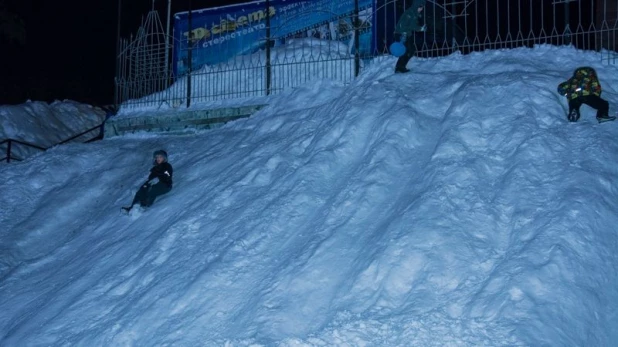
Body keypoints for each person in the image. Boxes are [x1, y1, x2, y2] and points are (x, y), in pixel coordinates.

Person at [393, 0, 427, 73]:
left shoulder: (414, 13)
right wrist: (420, 28)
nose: (421, 9)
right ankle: (399, 68)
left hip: (406, 34)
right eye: (420, 7)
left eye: (422, 7)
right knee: (406, 51)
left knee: (411, 51)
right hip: (401, 34)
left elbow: (412, 25)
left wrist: (419, 28)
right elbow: (410, 25)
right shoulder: (410, 13)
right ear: (416, 6)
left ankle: (401, 67)